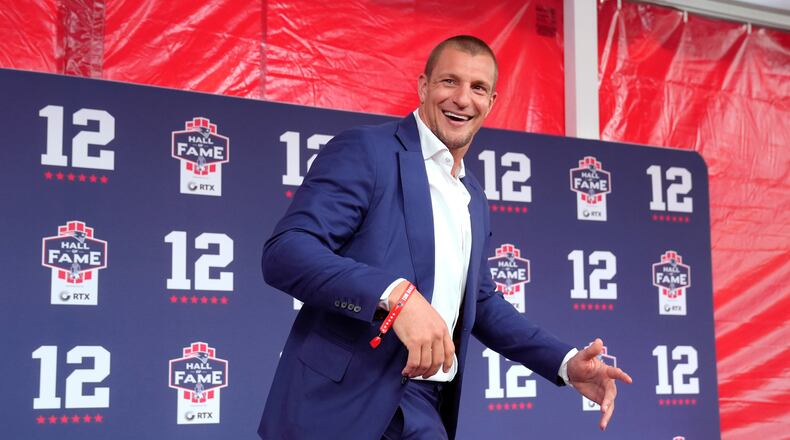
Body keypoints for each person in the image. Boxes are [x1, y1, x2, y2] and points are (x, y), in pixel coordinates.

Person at [258, 35, 632, 440]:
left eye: (477, 88)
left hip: (422, 404)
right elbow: (286, 252)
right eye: (449, 82)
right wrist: (395, 296)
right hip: (337, 404)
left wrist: (564, 361)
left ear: (492, 102)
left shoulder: (472, 196)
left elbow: (482, 303)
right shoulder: (367, 150)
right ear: (423, 87)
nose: (462, 99)